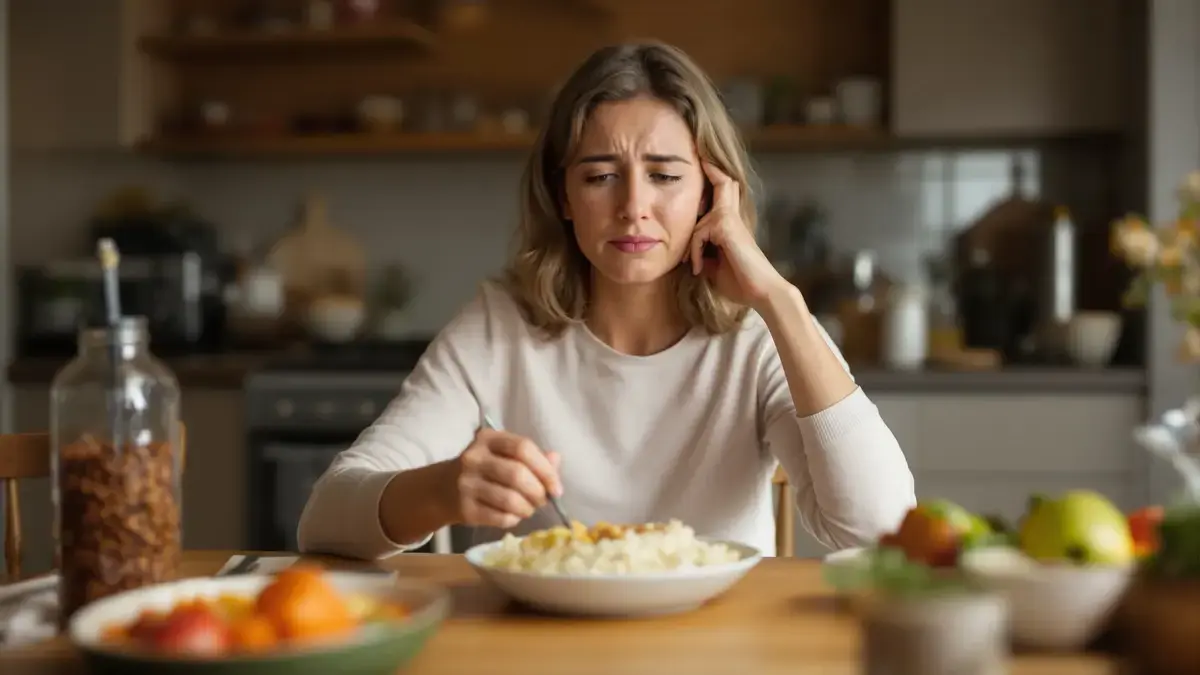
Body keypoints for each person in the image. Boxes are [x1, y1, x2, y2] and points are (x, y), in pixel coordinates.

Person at [297, 42, 915, 559]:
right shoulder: (499, 325)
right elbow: (323, 518)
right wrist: (441, 491)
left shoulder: (758, 335)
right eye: (599, 175)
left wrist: (778, 299)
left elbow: (881, 530)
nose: (633, 207)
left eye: (666, 175)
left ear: (710, 193)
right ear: (563, 196)